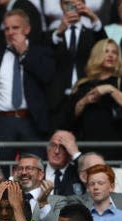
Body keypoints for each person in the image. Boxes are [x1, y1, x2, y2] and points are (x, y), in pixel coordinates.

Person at [0, 9, 54, 160]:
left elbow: (46, 76)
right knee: (2, 171)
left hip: (31, 120)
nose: (10, 32)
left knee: (34, 168)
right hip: (2, 121)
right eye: (6, 28)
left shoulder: (41, 51)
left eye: (15, 28)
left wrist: (24, 53)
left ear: (27, 29)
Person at [68, 38, 122, 155]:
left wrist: (110, 89)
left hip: (117, 144)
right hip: (88, 144)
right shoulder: (83, 84)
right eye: (106, 51)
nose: (110, 56)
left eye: (114, 52)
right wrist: (85, 100)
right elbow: (70, 115)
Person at [46, 0, 107, 129]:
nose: (72, 7)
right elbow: (45, 57)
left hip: (87, 95)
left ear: (83, 4)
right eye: (67, 3)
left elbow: (104, 47)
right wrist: (59, 32)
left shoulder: (92, 33)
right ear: (61, 6)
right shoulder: (52, 35)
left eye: (76, 3)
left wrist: (93, 17)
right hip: (58, 100)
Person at [45, 130, 83, 196]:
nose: (56, 151)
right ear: (47, 148)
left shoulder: (79, 173)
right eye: (53, 145)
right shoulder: (37, 170)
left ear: (70, 150)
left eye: (63, 147)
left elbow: (95, 173)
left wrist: (75, 153)